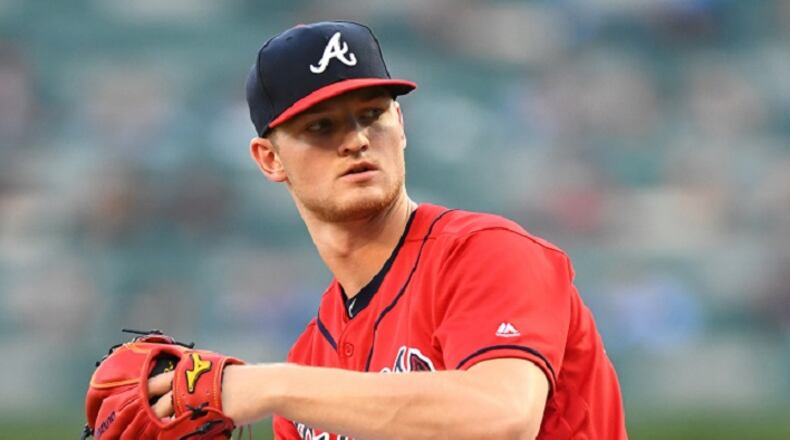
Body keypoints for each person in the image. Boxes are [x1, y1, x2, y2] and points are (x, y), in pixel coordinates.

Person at [149, 20, 627, 439]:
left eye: (372, 114)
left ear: (400, 123)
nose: (356, 139)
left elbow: (502, 417)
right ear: (270, 159)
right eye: (321, 127)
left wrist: (267, 386)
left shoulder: (487, 253)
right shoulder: (312, 362)